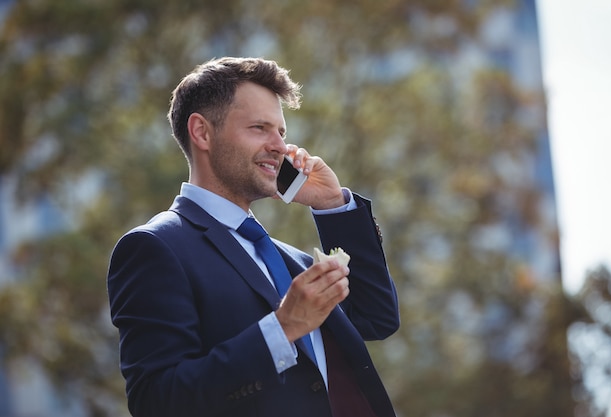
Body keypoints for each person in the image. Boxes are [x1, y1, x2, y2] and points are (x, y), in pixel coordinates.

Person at [107, 57, 400, 417]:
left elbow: (377, 317)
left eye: (282, 132)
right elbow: (157, 401)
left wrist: (332, 205)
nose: (279, 146)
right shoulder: (154, 248)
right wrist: (283, 328)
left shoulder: (290, 261)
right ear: (201, 132)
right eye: (260, 128)